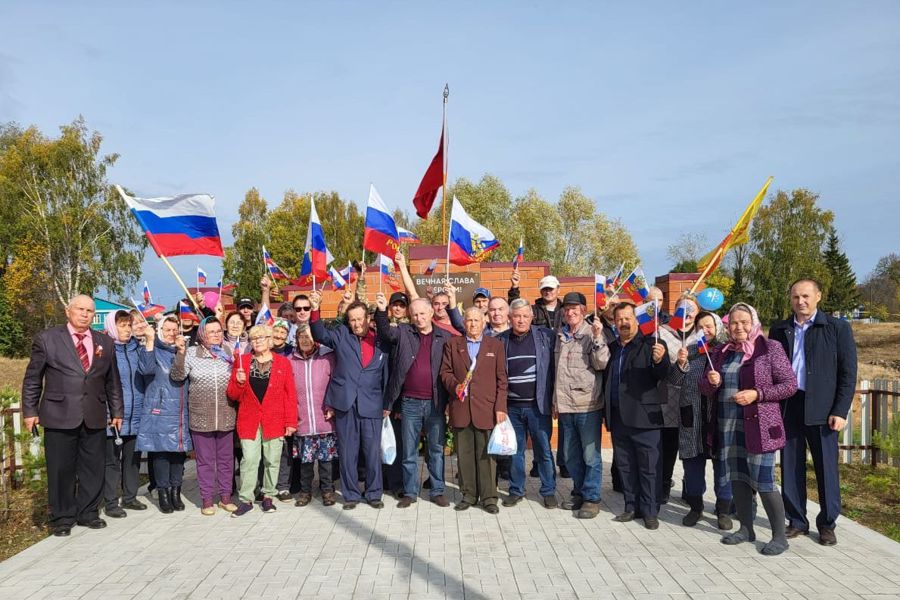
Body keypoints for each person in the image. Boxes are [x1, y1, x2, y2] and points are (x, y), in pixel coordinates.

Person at [700, 303, 798, 555]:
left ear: (754, 322)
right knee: (738, 480)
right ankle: (746, 528)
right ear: (727, 325)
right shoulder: (722, 351)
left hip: (760, 429)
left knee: (764, 482)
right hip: (728, 426)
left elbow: (789, 385)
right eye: (734, 322)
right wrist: (711, 382)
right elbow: (705, 388)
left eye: (744, 322)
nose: (739, 327)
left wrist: (757, 393)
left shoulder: (769, 348)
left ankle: (779, 537)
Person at [21, 295, 123, 536]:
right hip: (59, 414)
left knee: (92, 467)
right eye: (80, 309)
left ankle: (88, 513)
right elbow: (33, 378)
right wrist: (29, 410)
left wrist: (117, 410)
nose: (85, 314)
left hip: (94, 413)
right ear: (68, 311)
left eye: (90, 310)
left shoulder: (104, 343)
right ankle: (63, 518)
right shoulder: (47, 339)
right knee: (60, 469)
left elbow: (113, 382)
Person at [769, 278, 857, 546]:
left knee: (826, 468)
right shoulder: (780, 329)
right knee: (791, 465)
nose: (801, 302)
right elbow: (771, 369)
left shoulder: (836, 328)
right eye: (796, 297)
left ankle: (827, 523)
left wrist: (840, 410)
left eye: (806, 296)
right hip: (789, 404)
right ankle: (796, 520)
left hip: (823, 407)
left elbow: (847, 372)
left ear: (818, 296)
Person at [308, 290, 390, 510]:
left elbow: (387, 375)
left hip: (372, 404)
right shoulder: (340, 335)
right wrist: (315, 309)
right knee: (348, 453)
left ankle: (374, 493)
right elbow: (319, 335)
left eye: (360, 319)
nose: (356, 324)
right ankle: (351, 494)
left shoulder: (381, 340)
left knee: (372, 453)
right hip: (345, 403)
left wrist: (387, 404)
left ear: (367, 319)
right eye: (352, 320)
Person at [375, 293, 454, 508]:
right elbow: (384, 332)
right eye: (415, 314)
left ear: (431, 313)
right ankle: (410, 492)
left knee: (436, 450)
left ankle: (437, 491)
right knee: (409, 451)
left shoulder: (444, 337)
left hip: (435, 403)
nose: (418, 318)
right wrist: (381, 311)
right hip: (409, 402)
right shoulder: (403, 332)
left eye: (422, 314)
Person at [605, 303, 670, 529]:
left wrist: (661, 360)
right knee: (626, 466)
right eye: (619, 319)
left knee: (649, 467)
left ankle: (650, 511)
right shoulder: (613, 347)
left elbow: (663, 374)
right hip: (618, 417)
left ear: (636, 320)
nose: (623, 322)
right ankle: (631, 506)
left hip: (645, 418)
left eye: (627, 318)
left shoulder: (652, 344)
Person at [666, 310, 732, 528]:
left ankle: (723, 509)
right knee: (693, 465)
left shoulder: (727, 352)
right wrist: (680, 363)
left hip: (718, 419)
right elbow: (674, 381)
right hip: (692, 417)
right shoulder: (690, 352)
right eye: (701, 327)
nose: (706, 330)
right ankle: (695, 507)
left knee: (723, 465)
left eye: (710, 326)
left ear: (718, 328)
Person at [440, 307, 508, 514]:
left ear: (484, 322)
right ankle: (468, 494)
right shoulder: (453, 345)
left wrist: (500, 408)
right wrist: (455, 386)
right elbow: (445, 372)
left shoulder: (495, 345)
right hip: (461, 408)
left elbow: (502, 380)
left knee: (487, 456)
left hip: (487, 409)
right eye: (468, 320)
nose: (472, 324)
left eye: (476, 320)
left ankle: (489, 497)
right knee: (465, 455)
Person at [227, 325, 298, 516]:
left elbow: (290, 394)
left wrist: (291, 422)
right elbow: (233, 395)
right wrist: (239, 381)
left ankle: (268, 497)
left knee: (272, 460)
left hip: (275, 419)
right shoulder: (242, 361)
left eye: (261, 337)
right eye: (254, 338)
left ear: (270, 340)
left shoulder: (283, 363)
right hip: (249, 419)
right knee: (249, 459)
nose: (257, 341)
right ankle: (246, 499)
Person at [171, 316, 238, 515]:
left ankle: (226, 497)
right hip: (201, 416)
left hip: (226, 414)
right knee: (205, 460)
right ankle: (207, 499)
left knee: (226, 459)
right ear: (202, 334)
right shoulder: (192, 353)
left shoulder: (229, 352)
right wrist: (180, 354)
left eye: (219, 330)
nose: (216, 335)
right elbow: (177, 376)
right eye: (211, 331)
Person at [553, 292, 610, 518]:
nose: (570, 312)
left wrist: (598, 337)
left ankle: (592, 498)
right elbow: (556, 372)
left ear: (584, 310)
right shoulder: (560, 335)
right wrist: (554, 402)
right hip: (565, 405)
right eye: (567, 308)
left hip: (587, 405)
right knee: (570, 455)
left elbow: (602, 363)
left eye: (575, 308)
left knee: (590, 455)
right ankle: (579, 490)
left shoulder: (592, 332)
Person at [497, 299, 557, 508]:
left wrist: (554, 401)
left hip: (538, 406)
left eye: (524, 315)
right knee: (515, 451)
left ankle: (548, 490)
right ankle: (516, 489)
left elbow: (554, 371)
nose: (520, 320)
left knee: (543, 450)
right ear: (509, 318)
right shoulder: (500, 340)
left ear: (531, 317)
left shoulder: (546, 337)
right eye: (516, 316)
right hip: (511, 407)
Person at [136, 314, 192, 514]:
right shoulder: (152, 350)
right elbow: (145, 369)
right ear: (159, 331)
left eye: (174, 330)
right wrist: (149, 341)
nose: (171, 333)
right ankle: (163, 493)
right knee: (161, 453)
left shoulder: (181, 351)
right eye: (167, 330)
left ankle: (176, 491)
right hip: (160, 410)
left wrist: (182, 352)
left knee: (178, 453)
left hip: (180, 410)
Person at [102, 310, 154, 518]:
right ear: (112, 327)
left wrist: (149, 343)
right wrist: (107, 410)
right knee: (112, 461)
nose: (126, 329)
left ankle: (130, 497)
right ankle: (111, 501)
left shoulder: (136, 348)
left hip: (137, 412)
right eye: (121, 325)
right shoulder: (105, 349)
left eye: (127, 325)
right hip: (113, 414)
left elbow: (148, 370)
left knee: (132, 458)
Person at [656, 295, 702, 503]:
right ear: (675, 310)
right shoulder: (663, 332)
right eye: (682, 308)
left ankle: (691, 489)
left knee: (692, 447)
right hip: (669, 399)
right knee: (668, 446)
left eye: (692, 309)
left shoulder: (702, 335)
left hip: (695, 399)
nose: (688, 313)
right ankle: (664, 485)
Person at [289, 324, 338, 507]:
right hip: (303, 420)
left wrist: (331, 405)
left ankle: (327, 490)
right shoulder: (290, 360)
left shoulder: (327, 358)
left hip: (323, 419)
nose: (305, 340)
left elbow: (335, 384)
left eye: (308, 337)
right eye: (301, 337)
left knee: (326, 460)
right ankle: (305, 491)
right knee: (306, 462)